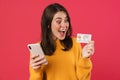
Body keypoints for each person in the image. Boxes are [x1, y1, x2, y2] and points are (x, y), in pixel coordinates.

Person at [29, 3, 95, 80]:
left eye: (66, 20)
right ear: (48, 24)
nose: (64, 25)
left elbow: (83, 78)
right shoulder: (38, 48)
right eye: (59, 21)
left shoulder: (75, 44)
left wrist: (85, 59)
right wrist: (36, 71)